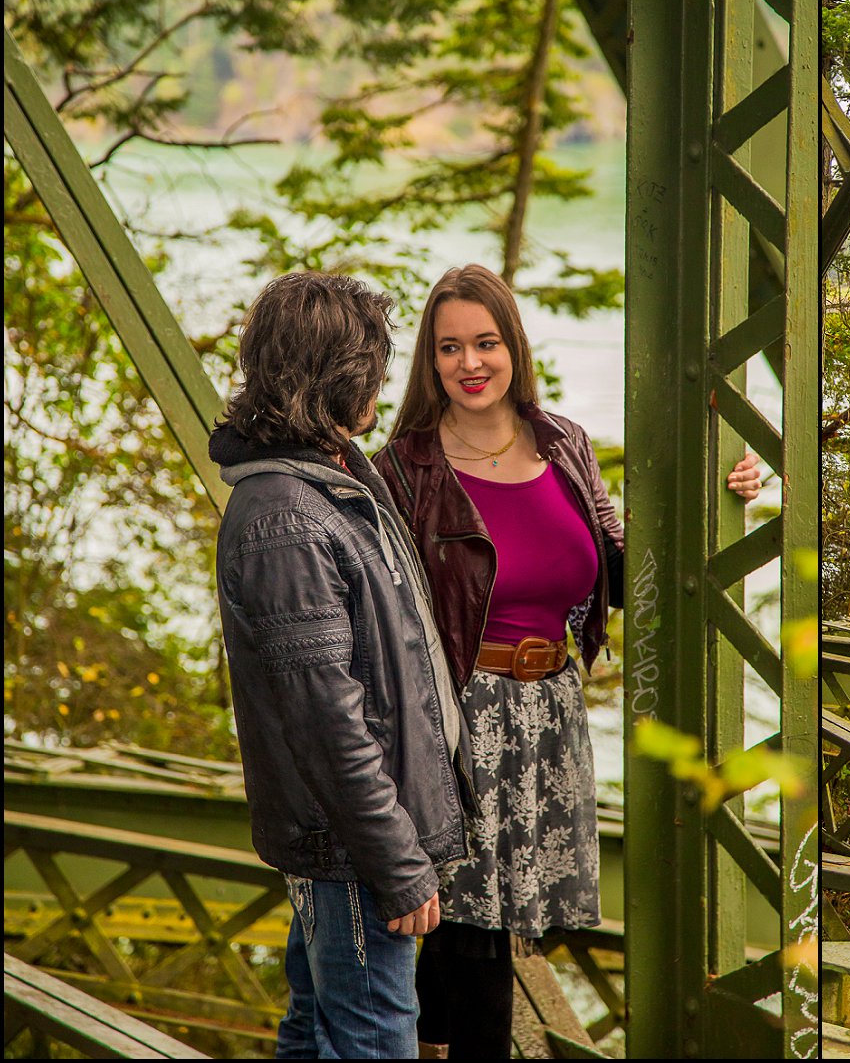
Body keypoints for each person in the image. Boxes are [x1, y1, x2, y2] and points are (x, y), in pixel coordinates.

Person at [374, 264, 761, 1058]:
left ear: (513, 345)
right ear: (430, 359)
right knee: (474, 922)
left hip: (551, 706)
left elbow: (623, 573)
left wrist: (722, 496)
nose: (470, 363)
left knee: (492, 926)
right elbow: (385, 608)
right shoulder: (407, 466)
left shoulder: (563, 442)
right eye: (450, 348)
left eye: (486, 342)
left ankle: (426, 1045)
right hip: (459, 711)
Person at [210, 272, 472, 1060]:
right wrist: (398, 862)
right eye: (375, 368)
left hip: (352, 838)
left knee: (314, 1024)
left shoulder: (332, 482)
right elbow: (326, 718)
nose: (383, 385)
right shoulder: (288, 519)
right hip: (354, 846)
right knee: (371, 1038)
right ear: (341, 378)